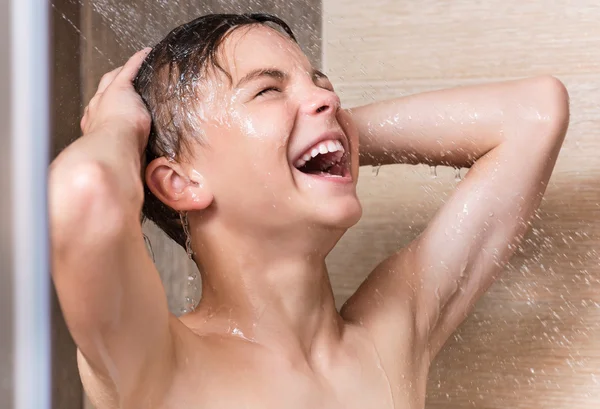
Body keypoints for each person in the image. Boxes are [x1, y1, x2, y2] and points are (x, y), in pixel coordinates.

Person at [49, 13, 569, 409]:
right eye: (268, 90)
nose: (329, 97)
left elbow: (533, 114)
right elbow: (87, 191)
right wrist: (118, 127)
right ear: (180, 182)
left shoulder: (388, 339)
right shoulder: (158, 361)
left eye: (320, 82)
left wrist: (332, 132)